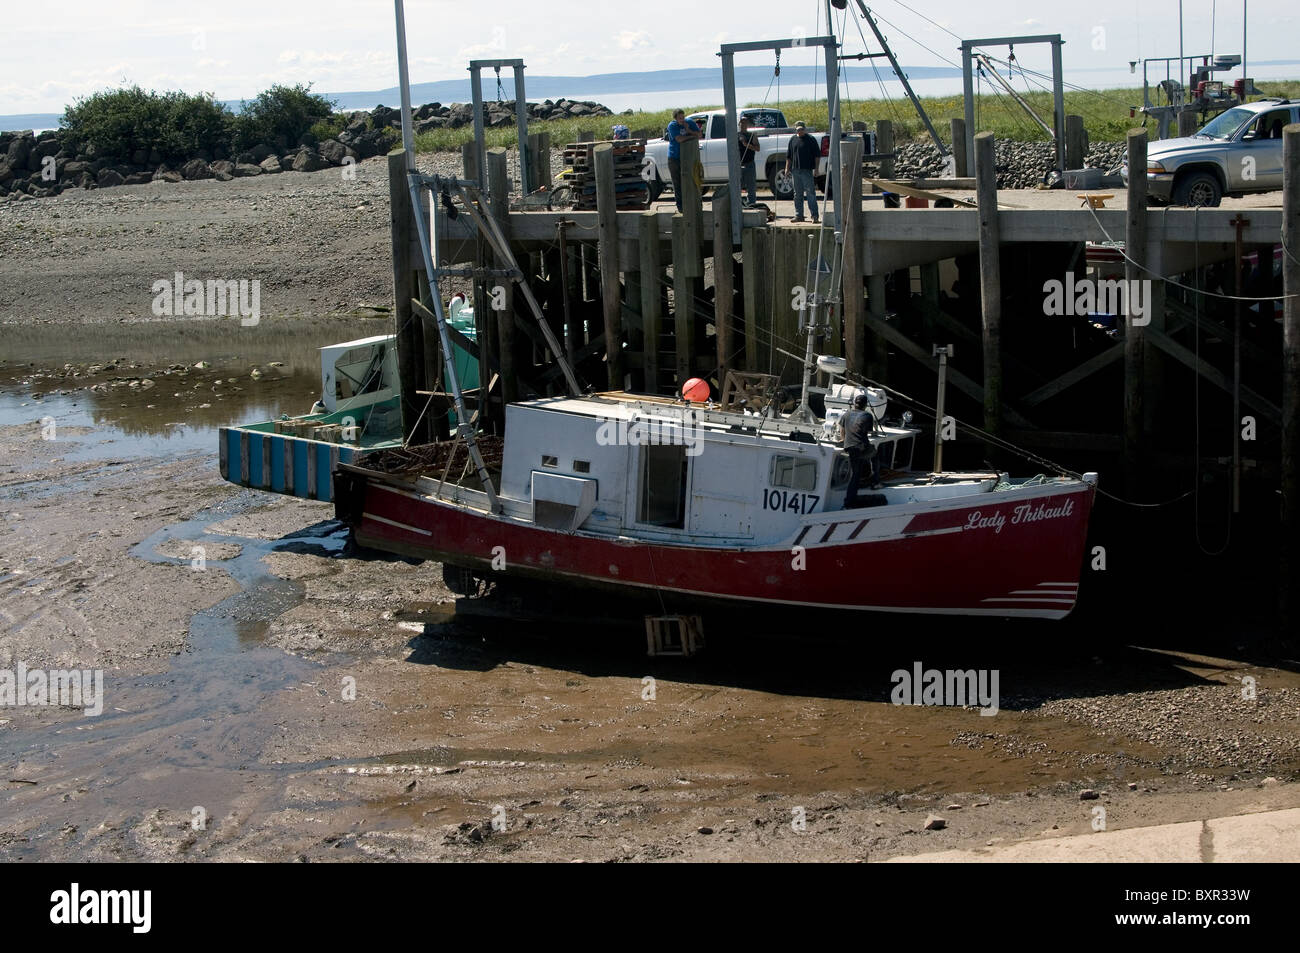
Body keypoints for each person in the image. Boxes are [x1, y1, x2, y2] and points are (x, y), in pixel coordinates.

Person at [841, 392, 881, 506]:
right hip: (861, 447)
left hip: (849, 447)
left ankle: (852, 496)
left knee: (856, 472)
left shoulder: (846, 414)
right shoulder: (867, 415)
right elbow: (869, 432)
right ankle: (875, 482)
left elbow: (842, 430)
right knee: (874, 455)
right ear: (865, 405)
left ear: (854, 404)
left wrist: (844, 440)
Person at [665, 109, 702, 212]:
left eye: (683, 117)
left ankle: (693, 204)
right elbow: (679, 139)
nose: (682, 120)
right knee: (677, 184)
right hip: (674, 158)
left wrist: (689, 130)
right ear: (675, 118)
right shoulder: (672, 126)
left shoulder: (689, 122)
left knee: (691, 180)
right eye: (679, 118)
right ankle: (681, 207)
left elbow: (699, 135)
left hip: (688, 158)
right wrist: (691, 137)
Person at [784, 120, 820, 223]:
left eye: (802, 129)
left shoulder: (811, 139)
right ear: (796, 130)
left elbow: (817, 155)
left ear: (805, 129)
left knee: (810, 193)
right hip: (795, 170)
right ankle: (799, 215)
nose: (800, 131)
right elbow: (789, 156)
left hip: (807, 170)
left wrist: (816, 169)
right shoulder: (792, 139)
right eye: (798, 129)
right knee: (797, 194)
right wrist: (787, 168)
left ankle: (815, 216)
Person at [737, 116, 760, 207]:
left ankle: (752, 204)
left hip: (749, 163)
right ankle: (738, 205)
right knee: (738, 186)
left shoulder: (752, 135)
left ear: (748, 124)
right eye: (742, 122)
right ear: (739, 124)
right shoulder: (736, 135)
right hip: (739, 164)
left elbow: (757, 148)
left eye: (745, 122)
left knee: (751, 186)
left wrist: (746, 144)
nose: (743, 124)